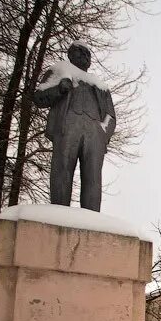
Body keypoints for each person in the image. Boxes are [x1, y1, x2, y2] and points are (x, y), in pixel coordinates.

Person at [33, 42, 116, 212]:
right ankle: (59, 214)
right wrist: (59, 89)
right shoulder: (60, 71)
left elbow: (111, 116)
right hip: (67, 126)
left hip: (95, 132)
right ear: (70, 55)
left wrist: (103, 133)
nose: (85, 57)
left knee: (93, 177)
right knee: (62, 169)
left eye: (88, 54)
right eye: (80, 52)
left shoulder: (99, 85)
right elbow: (39, 97)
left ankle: (92, 218)